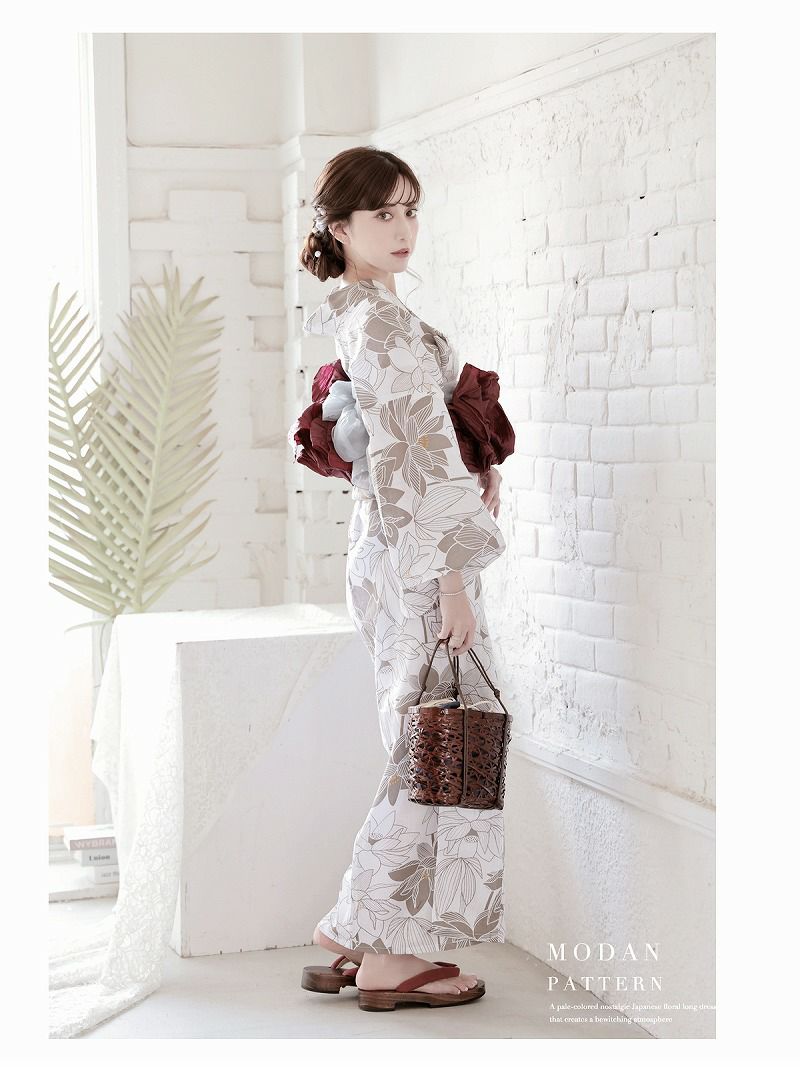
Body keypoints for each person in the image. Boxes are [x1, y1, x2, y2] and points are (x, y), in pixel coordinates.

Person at [298, 146, 507, 1010]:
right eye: (382, 213)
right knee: (438, 737)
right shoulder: (379, 322)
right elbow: (414, 453)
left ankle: (360, 929)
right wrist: (452, 576)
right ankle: (385, 948)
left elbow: (416, 443)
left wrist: (480, 464)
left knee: (421, 735)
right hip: (417, 557)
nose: (403, 227)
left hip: (387, 550)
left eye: (410, 209)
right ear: (339, 228)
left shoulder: (368, 311)